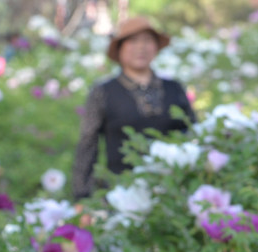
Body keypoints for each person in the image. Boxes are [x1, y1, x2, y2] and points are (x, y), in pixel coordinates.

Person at [71, 16, 195, 200]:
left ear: (156, 47)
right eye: (133, 41)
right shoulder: (104, 92)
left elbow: (193, 133)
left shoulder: (174, 88)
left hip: (174, 192)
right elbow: (88, 144)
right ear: (120, 48)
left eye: (147, 40)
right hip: (122, 192)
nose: (141, 47)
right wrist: (82, 196)